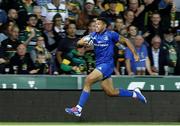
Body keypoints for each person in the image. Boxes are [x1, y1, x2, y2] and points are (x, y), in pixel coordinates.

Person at [65, 17, 147, 117]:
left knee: (88, 80)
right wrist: (81, 43)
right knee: (110, 92)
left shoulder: (111, 34)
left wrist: (134, 53)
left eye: (98, 24)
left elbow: (126, 40)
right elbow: (79, 43)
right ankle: (134, 93)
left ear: (104, 25)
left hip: (107, 65)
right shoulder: (92, 36)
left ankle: (78, 108)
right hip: (100, 65)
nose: (96, 25)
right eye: (95, 24)